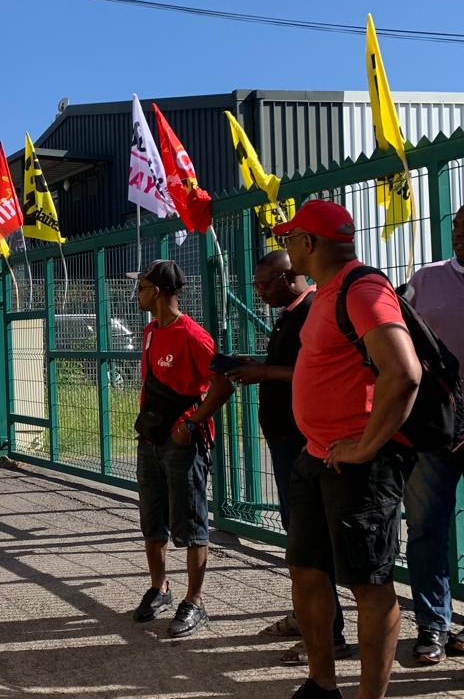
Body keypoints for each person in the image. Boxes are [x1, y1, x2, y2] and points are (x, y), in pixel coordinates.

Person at [275, 200, 421, 699]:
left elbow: (404, 373)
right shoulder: (326, 293)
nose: (286, 246)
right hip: (316, 457)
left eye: (290, 237)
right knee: (307, 570)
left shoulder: (363, 289)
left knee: (369, 585)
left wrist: (366, 446)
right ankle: (321, 685)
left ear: (309, 244)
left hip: (359, 467)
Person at [224, 251, 352, 664]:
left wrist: (265, 373)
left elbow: (313, 371)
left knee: (311, 537)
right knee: (299, 533)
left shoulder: (314, 310)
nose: (258, 291)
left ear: (290, 277)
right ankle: (308, 615)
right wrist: (259, 367)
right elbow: (289, 365)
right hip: (286, 437)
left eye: (264, 284)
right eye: (256, 285)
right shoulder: (291, 312)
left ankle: (329, 633)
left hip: (304, 441)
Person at [127, 260, 233, 638]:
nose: (136, 293)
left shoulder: (193, 335)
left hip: (183, 443)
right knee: (153, 520)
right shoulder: (151, 331)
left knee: (191, 523)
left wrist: (191, 423)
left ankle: (196, 600)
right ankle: (160, 588)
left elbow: (222, 385)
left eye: (140, 287)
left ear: (157, 291)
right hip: (151, 439)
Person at [401, 205, 464, 665]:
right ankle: (433, 625)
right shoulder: (426, 279)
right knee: (425, 528)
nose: (461, 235)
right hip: (434, 429)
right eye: (459, 227)